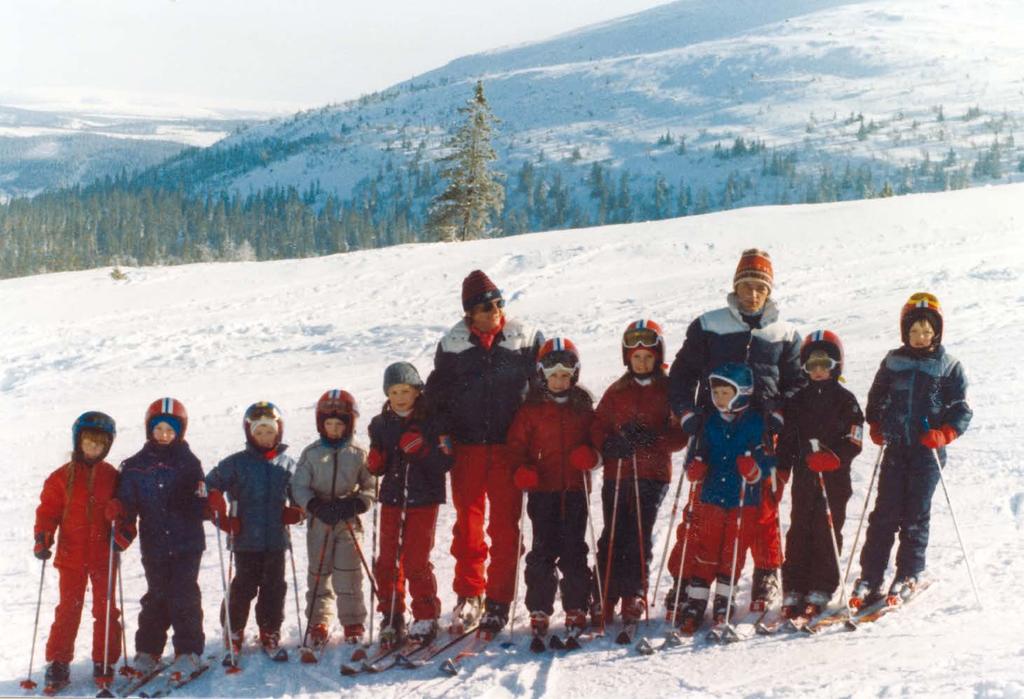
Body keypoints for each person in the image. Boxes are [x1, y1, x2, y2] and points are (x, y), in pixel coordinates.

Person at [668, 248, 803, 610]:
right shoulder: (710, 325)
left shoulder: (784, 333)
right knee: (701, 508)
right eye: (746, 285)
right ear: (735, 287)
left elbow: (796, 384)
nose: (753, 293)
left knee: (762, 509)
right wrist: (687, 416)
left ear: (769, 291)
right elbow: (680, 376)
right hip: (713, 428)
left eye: (760, 287)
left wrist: (779, 415)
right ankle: (685, 578)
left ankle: (766, 574)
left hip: (761, 432)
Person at [424, 269, 543, 634]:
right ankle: (469, 592)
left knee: (506, 528)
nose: (493, 310)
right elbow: (436, 397)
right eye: (484, 306)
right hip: (468, 448)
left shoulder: (524, 338)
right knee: (469, 527)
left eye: (498, 303)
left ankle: (499, 599)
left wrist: (535, 440)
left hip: (509, 447)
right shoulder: (453, 345)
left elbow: (543, 389)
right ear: (469, 313)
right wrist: (441, 435)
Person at [851, 293, 972, 607]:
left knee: (915, 515)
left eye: (926, 331)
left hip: (927, 453)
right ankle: (870, 576)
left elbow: (961, 410)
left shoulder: (948, 366)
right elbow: (876, 398)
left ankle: (909, 572)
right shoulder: (893, 362)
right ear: (905, 332)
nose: (920, 337)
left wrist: (944, 433)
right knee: (884, 515)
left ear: (936, 332)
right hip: (896, 449)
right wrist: (876, 424)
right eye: (914, 331)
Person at [591, 320, 687, 626]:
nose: (642, 363)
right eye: (637, 357)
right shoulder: (617, 391)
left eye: (648, 357)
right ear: (627, 358)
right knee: (613, 531)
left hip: (653, 473)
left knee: (638, 531)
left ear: (658, 357)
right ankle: (604, 593)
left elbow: (679, 434)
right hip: (617, 473)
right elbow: (597, 425)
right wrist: (609, 443)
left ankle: (634, 591)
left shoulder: (669, 389)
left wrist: (653, 439)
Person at [506, 338, 601, 638]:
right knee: (543, 549)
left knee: (574, 548)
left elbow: (599, 440)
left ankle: (576, 605)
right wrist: (521, 470)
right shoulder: (530, 409)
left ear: (574, 375)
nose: (559, 381)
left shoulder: (583, 407)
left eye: (565, 375)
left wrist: (593, 457)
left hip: (574, 489)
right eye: (552, 375)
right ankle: (540, 606)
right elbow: (516, 446)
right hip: (542, 490)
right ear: (541, 374)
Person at [670, 363, 774, 632]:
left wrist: (753, 470)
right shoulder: (709, 421)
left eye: (725, 393)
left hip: (743, 499)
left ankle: (723, 601)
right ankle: (696, 601)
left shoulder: (755, 422)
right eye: (716, 393)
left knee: (732, 550)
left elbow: (765, 460)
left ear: (741, 393)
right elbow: (697, 454)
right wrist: (696, 467)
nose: (719, 399)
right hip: (712, 496)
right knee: (706, 548)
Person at [110, 398, 208, 680]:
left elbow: (200, 499)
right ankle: (148, 651)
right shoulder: (135, 466)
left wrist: (202, 503)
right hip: (154, 543)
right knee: (157, 595)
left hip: (187, 542)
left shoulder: (189, 462)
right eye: (159, 428)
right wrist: (122, 517)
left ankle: (188, 652)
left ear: (180, 431)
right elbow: (127, 503)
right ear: (149, 429)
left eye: (170, 429)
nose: (164, 434)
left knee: (184, 594)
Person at [204, 402, 302, 658]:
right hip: (245, 537)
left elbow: (301, 491)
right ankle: (233, 629)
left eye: (269, 432)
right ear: (249, 434)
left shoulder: (288, 464)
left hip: (276, 539)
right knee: (244, 586)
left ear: (278, 432)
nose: (265, 438)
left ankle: (270, 629)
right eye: (259, 433)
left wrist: (297, 510)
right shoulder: (237, 463)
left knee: (274, 586)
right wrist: (219, 512)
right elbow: (208, 484)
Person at [777, 331, 864, 618]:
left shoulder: (845, 400)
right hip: (805, 475)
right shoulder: (798, 400)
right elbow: (788, 438)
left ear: (836, 365)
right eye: (811, 366)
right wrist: (781, 467)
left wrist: (835, 457)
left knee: (826, 527)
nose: (817, 371)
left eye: (823, 365)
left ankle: (822, 585)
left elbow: (855, 437)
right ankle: (795, 585)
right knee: (800, 526)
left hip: (834, 477)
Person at [367, 362, 453, 647]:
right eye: (394, 391)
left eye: (406, 390)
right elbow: (379, 462)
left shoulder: (434, 421)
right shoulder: (380, 424)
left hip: (423, 498)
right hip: (392, 499)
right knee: (387, 560)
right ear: (386, 394)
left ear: (417, 391)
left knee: (416, 559)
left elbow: (446, 460)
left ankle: (426, 614)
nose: (400, 397)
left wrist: (423, 450)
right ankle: (392, 614)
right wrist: (376, 462)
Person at [33, 412, 121, 690]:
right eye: (88, 442)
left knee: (105, 609)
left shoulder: (113, 477)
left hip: (103, 557)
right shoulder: (61, 477)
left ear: (107, 446)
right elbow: (48, 512)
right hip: (71, 557)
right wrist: (43, 538)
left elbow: (126, 514)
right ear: (78, 441)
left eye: (99, 444)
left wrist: (123, 530)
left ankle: (104, 658)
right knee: (68, 610)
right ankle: (58, 662)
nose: (93, 448)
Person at [291, 390, 375, 648]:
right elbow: (299, 486)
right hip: (320, 520)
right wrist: (314, 505)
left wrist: (356, 503)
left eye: (339, 424)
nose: (334, 429)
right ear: (320, 424)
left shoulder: (358, 453)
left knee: (348, 573)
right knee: (319, 572)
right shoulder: (312, 453)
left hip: (347, 521)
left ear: (349, 424)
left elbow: (371, 485)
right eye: (328, 424)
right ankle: (319, 621)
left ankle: (352, 621)